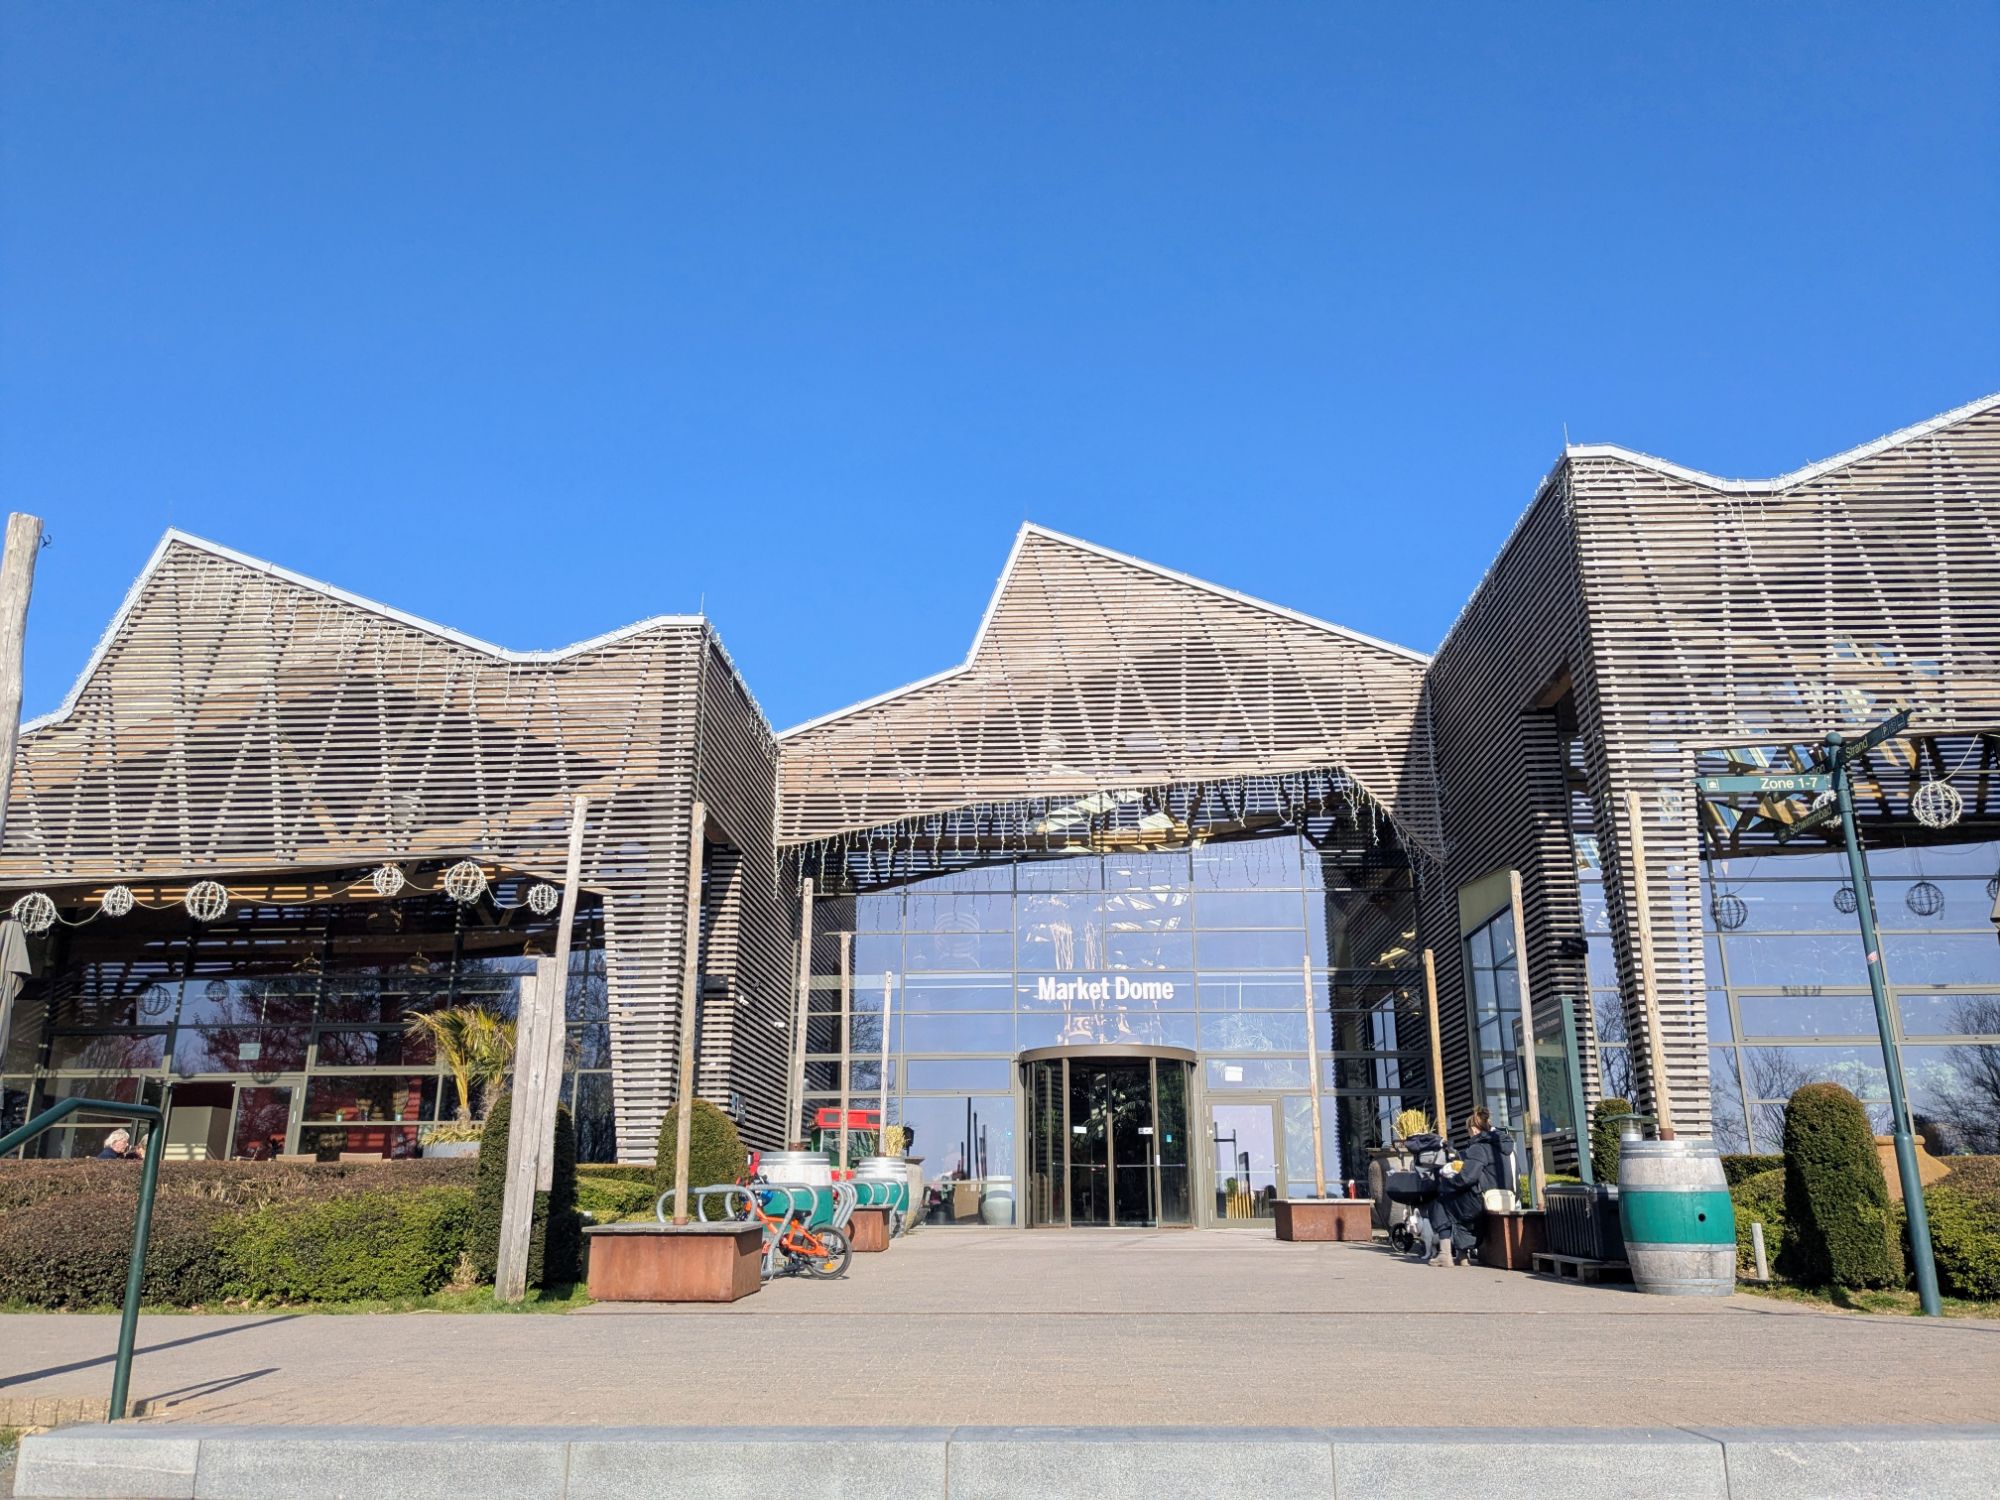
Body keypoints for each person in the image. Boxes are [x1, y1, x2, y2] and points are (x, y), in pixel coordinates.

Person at [1422, 1107, 1516, 1266]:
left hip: (1480, 1199)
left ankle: (1445, 1254)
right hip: (1501, 1196)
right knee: (1459, 1203)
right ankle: (1462, 1255)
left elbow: (1467, 1177)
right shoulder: (1502, 1147)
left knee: (1440, 1200)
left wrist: (1447, 1182)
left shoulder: (1479, 1147)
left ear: (1473, 1129)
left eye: (1468, 1131)